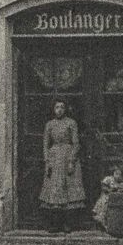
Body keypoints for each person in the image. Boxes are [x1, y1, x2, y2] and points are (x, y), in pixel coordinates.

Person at [39, 100, 85, 233]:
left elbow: (76, 143)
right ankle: (55, 224)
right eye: (57, 107)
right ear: (53, 109)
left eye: (62, 107)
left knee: (68, 190)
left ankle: (68, 224)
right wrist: (47, 161)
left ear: (66, 109)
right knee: (55, 190)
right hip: (55, 158)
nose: (59, 110)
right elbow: (46, 144)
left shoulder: (71, 123)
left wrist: (71, 160)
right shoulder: (50, 124)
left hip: (68, 156)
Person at [92, 163, 123, 230]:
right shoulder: (110, 179)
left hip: (118, 199)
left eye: (120, 175)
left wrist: (121, 190)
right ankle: (101, 220)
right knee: (104, 205)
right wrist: (109, 190)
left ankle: (110, 224)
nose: (117, 176)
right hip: (107, 197)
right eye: (116, 174)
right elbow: (103, 187)